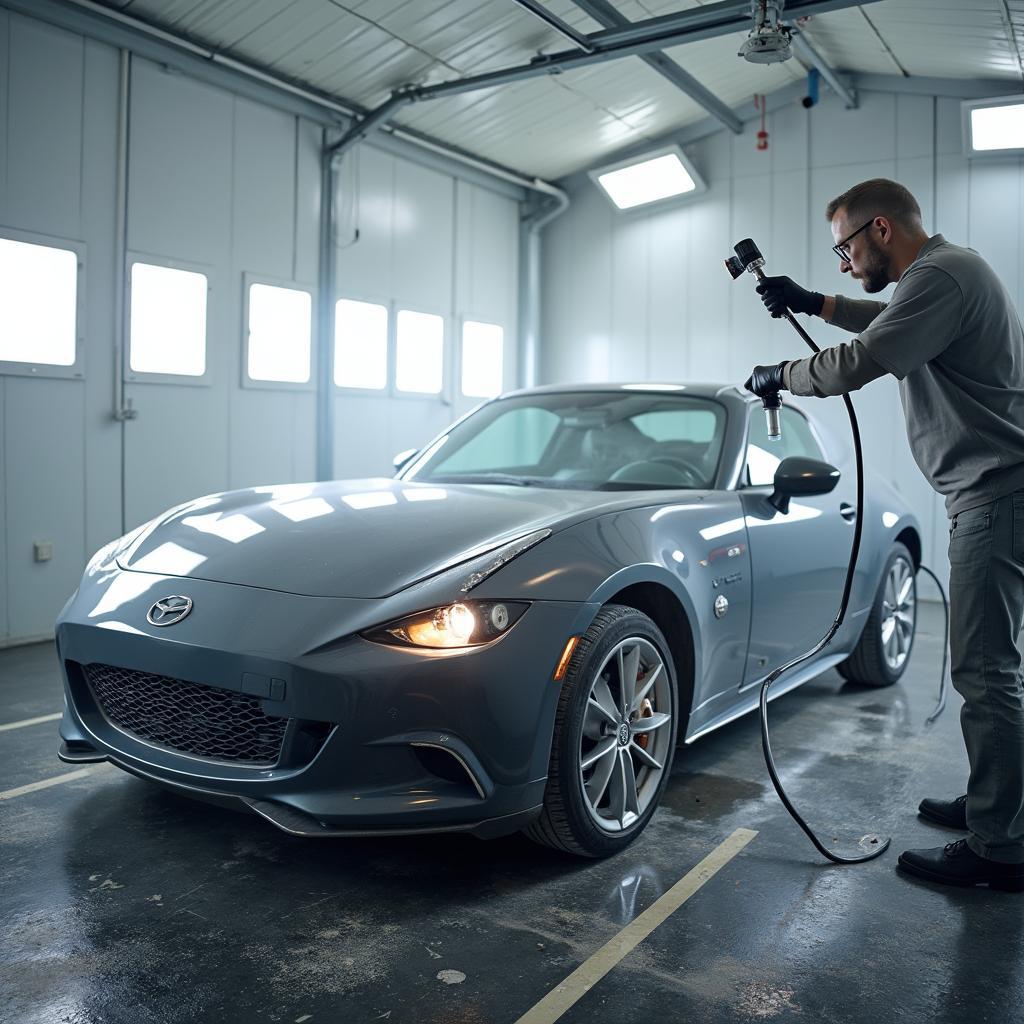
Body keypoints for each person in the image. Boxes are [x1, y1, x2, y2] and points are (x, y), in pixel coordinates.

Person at [745, 177, 1024, 891]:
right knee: (992, 669)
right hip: (993, 491)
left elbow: (864, 359)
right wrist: (813, 303)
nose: (841, 262)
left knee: (987, 674)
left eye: (844, 247)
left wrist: (781, 374)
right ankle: (999, 807)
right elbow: (882, 321)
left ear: (879, 228)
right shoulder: (942, 276)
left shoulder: (941, 275)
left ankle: (1003, 847)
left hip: (996, 492)